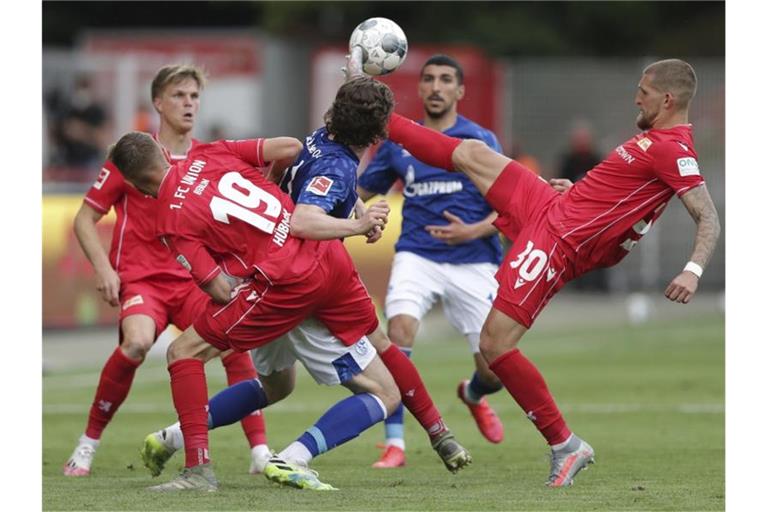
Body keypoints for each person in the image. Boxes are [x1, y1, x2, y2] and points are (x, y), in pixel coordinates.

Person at [353, 56, 721, 487]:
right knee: (472, 153)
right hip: (556, 206)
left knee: (493, 344)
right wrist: (578, 189)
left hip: (562, 242)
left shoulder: (673, 149)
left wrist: (693, 270)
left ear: (667, 98)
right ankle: (378, 116)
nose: (635, 98)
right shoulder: (652, 138)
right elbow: (621, 190)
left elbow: (708, 217)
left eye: (642, 92)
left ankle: (565, 444)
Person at [139, 76, 471, 483]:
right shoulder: (336, 163)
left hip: (280, 267)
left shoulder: (319, 138)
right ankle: (294, 456)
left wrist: (346, 216)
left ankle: (173, 437)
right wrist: (357, 224)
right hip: (301, 274)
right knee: (383, 382)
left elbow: (299, 173)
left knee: (277, 386)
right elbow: (304, 217)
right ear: (377, 130)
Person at [63, 65, 270, 477]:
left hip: (196, 280)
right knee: (137, 343)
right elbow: (85, 219)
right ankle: (87, 444)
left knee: (234, 344)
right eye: (179, 95)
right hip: (143, 280)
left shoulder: (208, 156)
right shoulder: (135, 154)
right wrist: (104, 269)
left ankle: (261, 450)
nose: (189, 103)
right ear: (158, 102)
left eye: (194, 96)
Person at [356, 54, 506, 469]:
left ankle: (473, 394)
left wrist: (472, 230)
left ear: (460, 91)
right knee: (399, 332)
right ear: (420, 89)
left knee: (495, 371)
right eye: (428, 79)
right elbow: (359, 194)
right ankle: (395, 445)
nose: (436, 87)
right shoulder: (398, 144)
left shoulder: (480, 141)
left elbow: (510, 206)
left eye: (445, 80)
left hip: (474, 259)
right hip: (416, 255)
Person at [557, 121, 608, 291]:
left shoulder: (597, 159)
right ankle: (575, 285)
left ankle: (600, 286)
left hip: (595, 213)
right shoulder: (567, 160)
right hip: (572, 213)